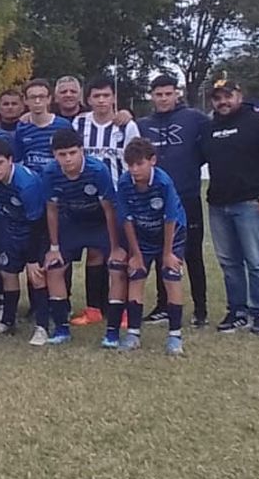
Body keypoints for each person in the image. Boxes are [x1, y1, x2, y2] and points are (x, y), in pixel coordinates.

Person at [206, 78, 259, 335]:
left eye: (227, 96)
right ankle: (237, 311)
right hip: (218, 204)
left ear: (239, 96)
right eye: (217, 98)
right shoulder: (210, 127)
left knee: (256, 261)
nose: (223, 102)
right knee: (229, 263)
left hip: (251, 203)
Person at [41, 128, 125, 348]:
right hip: (72, 223)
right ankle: (61, 329)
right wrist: (54, 247)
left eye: (72, 153)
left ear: (82, 151)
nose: (68, 159)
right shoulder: (50, 172)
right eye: (62, 154)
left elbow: (109, 209)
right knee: (54, 268)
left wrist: (115, 246)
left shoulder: (98, 170)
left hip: (100, 223)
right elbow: (51, 209)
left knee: (116, 267)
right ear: (54, 155)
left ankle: (112, 332)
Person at [137, 72, 209, 326]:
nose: (164, 98)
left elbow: (208, 148)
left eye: (169, 93)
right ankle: (163, 306)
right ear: (151, 96)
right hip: (155, 200)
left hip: (187, 197)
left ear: (177, 94)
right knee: (161, 253)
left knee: (192, 253)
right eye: (159, 94)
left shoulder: (195, 119)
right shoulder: (143, 125)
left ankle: (200, 310)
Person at [71, 75, 140, 324]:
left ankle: (123, 310)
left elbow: (135, 161)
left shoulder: (126, 126)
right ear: (88, 99)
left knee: (120, 253)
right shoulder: (79, 123)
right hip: (88, 201)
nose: (101, 100)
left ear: (114, 98)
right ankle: (94, 309)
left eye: (106, 95)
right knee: (94, 252)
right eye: (96, 96)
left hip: (119, 199)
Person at [0, 137, 51, 343]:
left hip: (38, 230)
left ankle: (42, 326)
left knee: (37, 276)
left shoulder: (27, 184)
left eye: (0, 163)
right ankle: (7, 321)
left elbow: (38, 222)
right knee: (8, 273)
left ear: (10, 160)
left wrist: (33, 259)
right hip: (12, 227)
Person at [115, 138, 187, 356]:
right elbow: (126, 219)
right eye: (130, 165)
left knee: (170, 274)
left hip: (171, 233)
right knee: (136, 274)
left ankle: (175, 336)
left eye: (140, 164)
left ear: (152, 161)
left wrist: (168, 253)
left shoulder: (163, 182)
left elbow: (170, 218)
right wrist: (135, 253)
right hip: (142, 233)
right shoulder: (125, 183)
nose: (134, 170)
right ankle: (133, 334)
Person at [13, 79, 74, 171]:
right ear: (25, 100)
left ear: (49, 99)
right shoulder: (22, 128)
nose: (37, 101)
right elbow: (18, 160)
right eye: (33, 97)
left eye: (41, 97)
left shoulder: (63, 125)